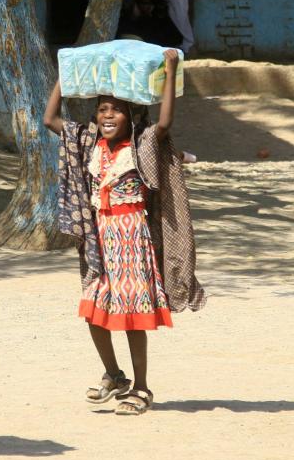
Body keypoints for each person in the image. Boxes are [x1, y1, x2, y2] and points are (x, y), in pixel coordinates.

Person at [43, 49, 206, 416]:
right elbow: (49, 118)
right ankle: (115, 375)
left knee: (132, 316)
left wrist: (170, 69)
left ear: (131, 117)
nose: (107, 116)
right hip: (100, 238)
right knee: (94, 311)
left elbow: (164, 122)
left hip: (132, 238)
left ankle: (142, 388)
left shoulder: (142, 144)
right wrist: (64, 74)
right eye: (102, 109)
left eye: (116, 110)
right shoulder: (88, 142)